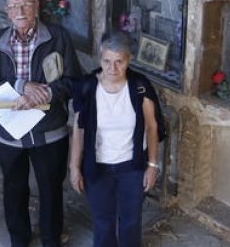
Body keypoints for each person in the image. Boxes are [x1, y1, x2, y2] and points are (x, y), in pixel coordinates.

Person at [0, 0, 82, 247]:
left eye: (25, 4)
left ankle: (50, 239)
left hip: (50, 131)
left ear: (35, 6)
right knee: (14, 189)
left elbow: (74, 81)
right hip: (10, 133)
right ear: (7, 10)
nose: (20, 11)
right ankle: (19, 240)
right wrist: (21, 86)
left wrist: (47, 92)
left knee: (51, 191)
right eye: (14, 6)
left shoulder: (58, 38)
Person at [68, 31, 161, 247]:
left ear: (129, 60)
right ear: (100, 57)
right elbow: (79, 129)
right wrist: (74, 168)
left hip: (132, 167)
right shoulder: (88, 87)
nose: (112, 68)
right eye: (107, 61)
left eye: (119, 62)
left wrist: (152, 165)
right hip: (98, 167)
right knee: (102, 221)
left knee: (130, 221)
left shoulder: (140, 87)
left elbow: (152, 126)